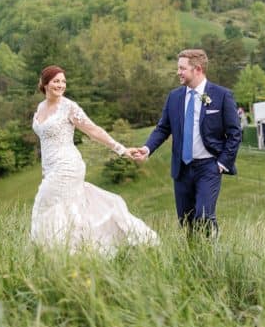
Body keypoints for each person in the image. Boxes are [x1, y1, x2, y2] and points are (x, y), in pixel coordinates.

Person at [30, 65, 158, 254]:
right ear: (45, 83)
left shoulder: (68, 107)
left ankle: (59, 253)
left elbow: (94, 131)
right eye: (56, 81)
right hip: (50, 168)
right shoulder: (41, 107)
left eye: (63, 81)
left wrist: (121, 149)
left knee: (44, 206)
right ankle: (72, 253)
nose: (61, 85)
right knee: (64, 211)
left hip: (67, 166)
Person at [133, 49, 242, 239]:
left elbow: (235, 133)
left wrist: (222, 163)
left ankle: (212, 255)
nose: (178, 72)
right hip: (181, 169)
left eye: (182, 68)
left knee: (204, 216)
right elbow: (163, 128)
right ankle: (193, 259)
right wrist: (147, 148)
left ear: (197, 69)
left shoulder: (222, 96)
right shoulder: (174, 97)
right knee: (186, 220)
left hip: (209, 167)